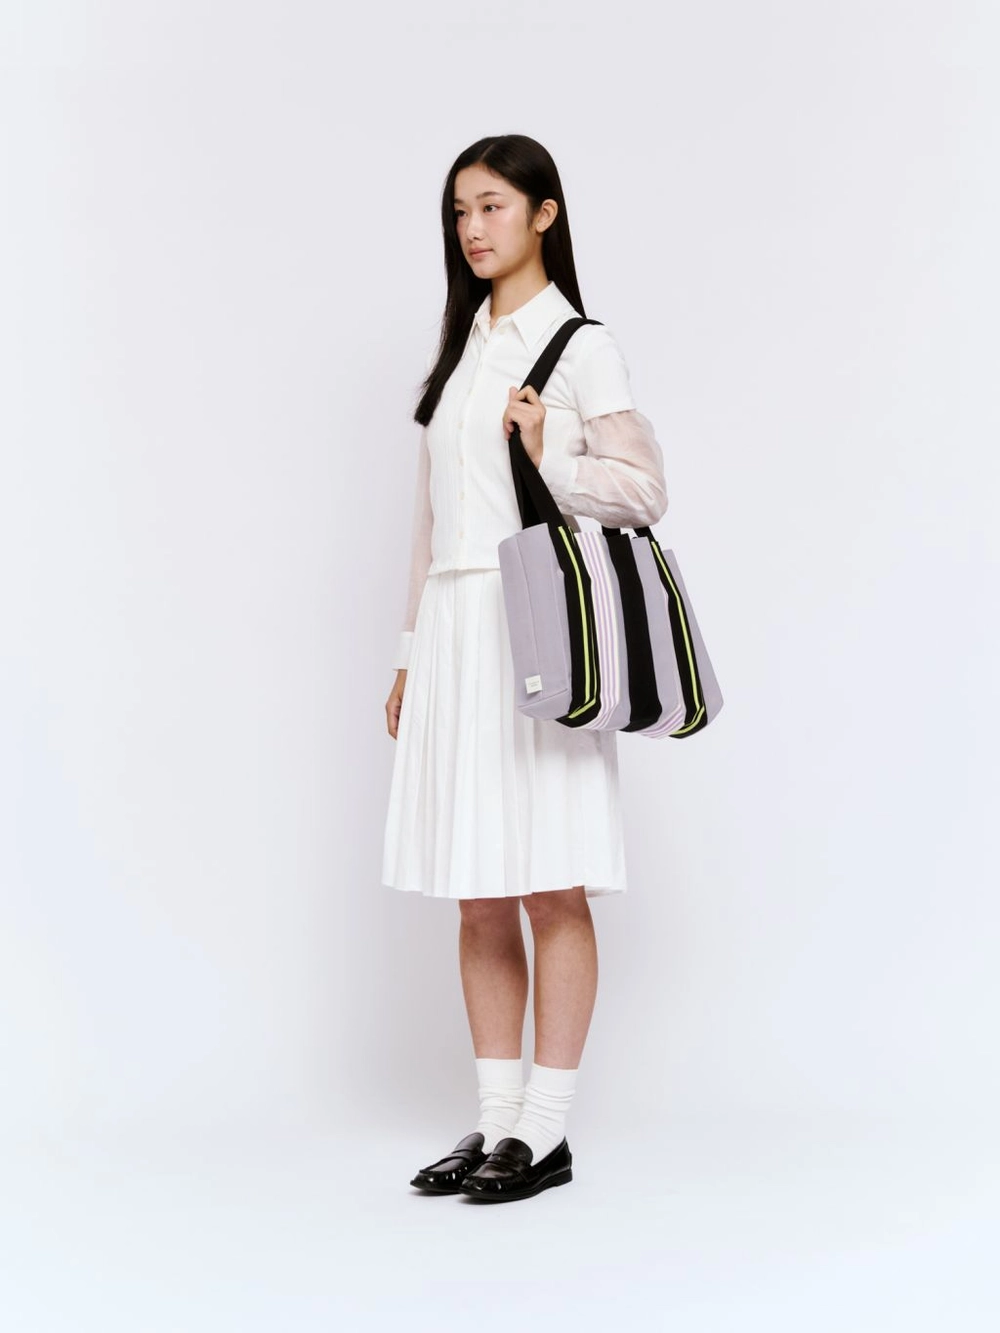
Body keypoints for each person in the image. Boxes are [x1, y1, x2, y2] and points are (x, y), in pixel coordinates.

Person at [381, 134, 668, 1203]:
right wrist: (410, 653)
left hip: (535, 625)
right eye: (460, 210)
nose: (473, 228)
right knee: (478, 889)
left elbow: (644, 491)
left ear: (545, 214)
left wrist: (552, 454)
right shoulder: (463, 351)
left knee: (551, 879)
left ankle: (544, 1130)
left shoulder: (580, 347)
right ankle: (495, 1117)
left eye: (493, 205)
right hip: (455, 628)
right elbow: (429, 521)